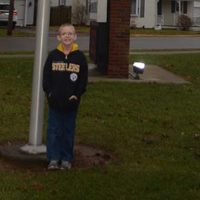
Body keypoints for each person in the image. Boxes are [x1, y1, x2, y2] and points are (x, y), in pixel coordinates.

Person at [43, 23, 88, 170]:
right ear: (58, 37)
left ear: (75, 37)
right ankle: (54, 158)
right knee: (54, 130)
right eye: (64, 34)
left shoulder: (80, 57)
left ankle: (67, 158)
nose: (67, 36)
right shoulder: (53, 56)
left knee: (68, 130)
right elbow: (46, 77)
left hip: (71, 102)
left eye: (70, 33)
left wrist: (76, 95)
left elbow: (82, 79)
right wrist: (49, 93)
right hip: (55, 101)